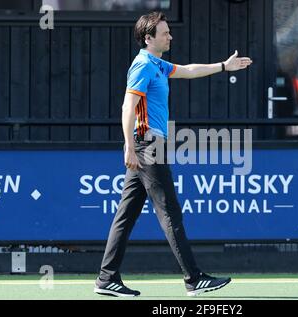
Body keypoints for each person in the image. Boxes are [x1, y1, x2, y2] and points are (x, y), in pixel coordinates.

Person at [94, 11, 252, 297]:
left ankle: (106, 279)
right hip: (147, 146)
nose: (170, 36)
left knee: (126, 215)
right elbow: (127, 108)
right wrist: (129, 145)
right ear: (148, 38)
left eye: (168, 31)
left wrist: (224, 66)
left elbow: (189, 70)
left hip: (146, 145)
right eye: (165, 33)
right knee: (170, 212)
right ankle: (194, 279)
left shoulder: (157, 64)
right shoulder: (142, 65)